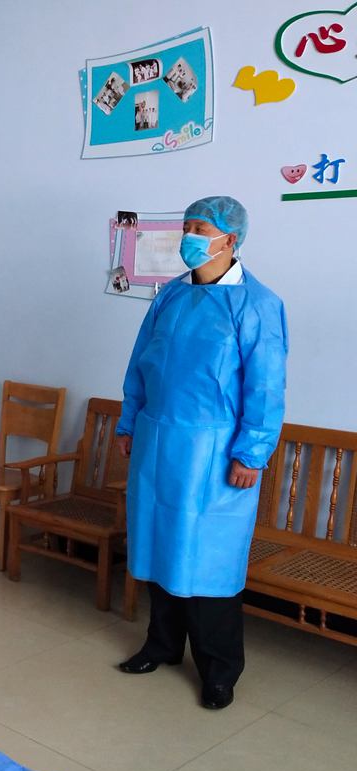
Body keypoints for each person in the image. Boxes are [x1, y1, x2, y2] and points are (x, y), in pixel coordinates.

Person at [115, 196, 288, 710]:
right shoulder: (170, 295)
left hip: (214, 454)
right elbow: (141, 364)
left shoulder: (257, 305)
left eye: (200, 228)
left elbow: (265, 388)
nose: (188, 237)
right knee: (160, 546)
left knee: (211, 560)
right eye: (187, 226)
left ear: (229, 239)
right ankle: (162, 646)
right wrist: (128, 421)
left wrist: (251, 454)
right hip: (157, 442)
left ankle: (219, 670)